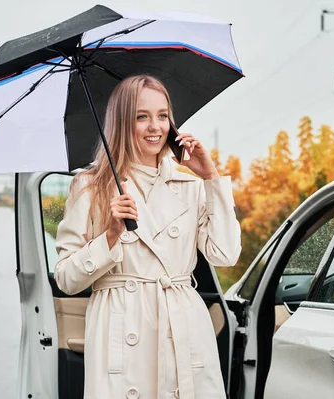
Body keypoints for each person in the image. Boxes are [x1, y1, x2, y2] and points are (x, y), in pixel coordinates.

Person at [54, 74, 242, 399]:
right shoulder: (90, 185)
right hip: (122, 325)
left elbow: (225, 255)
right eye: (142, 116)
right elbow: (66, 280)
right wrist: (110, 236)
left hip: (182, 324)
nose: (155, 126)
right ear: (123, 121)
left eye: (162, 115)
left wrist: (211, 177)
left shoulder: (191, 184)